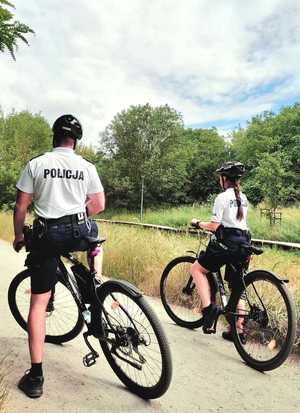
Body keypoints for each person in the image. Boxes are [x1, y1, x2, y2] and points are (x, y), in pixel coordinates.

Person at [13, 114, 105, 398]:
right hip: (80, 228)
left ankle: (36, 376)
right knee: (94, 233)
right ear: (75, 141)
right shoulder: (86, 166)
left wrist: (18, 237)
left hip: (48, 235)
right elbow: (99, 204)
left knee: (39, 303)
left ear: (54, 137)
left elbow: (20, 207)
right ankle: (97, 277)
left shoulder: (37, 164)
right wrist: (77, 218)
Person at [190, 161, 250, 342]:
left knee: (197, 269)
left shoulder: (222, 197)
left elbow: (215, 226)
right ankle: (237, 330)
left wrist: (198, 223)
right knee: (237, 286)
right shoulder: (244, 198)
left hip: (228, 244)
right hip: (244, 243)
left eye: (220, 178)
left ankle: (209, 309)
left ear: (224, 179)